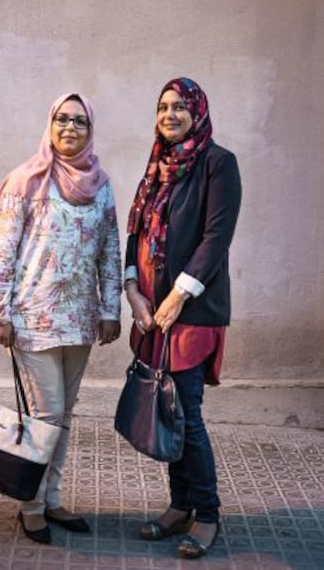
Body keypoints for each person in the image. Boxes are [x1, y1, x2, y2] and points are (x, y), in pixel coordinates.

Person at [0, 93, 121, 544]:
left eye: (80, 121)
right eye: (61, 119)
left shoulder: (100, 186)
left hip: (80, 320)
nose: (70, 127)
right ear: (50, 124)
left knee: (64, 416)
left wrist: (109, 310)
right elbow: (3, 252)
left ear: (90, 128)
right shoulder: (24, 182)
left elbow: (109, 248)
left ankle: (53, 497)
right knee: (47, 413)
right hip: (33, 318)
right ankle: (32, 504)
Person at [124, 77, 241, 559]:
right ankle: (179, 506)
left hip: (191, 313)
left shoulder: (218, 163)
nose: (170, 115)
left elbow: (217, 237)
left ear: (198, 111)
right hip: (153, 313)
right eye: (163, 107)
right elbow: (133, 235)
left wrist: (176, 296)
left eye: (179, 107)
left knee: (187, 416)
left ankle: (208, 514)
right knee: (167, 411)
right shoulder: (156, 168)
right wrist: (132, 290)